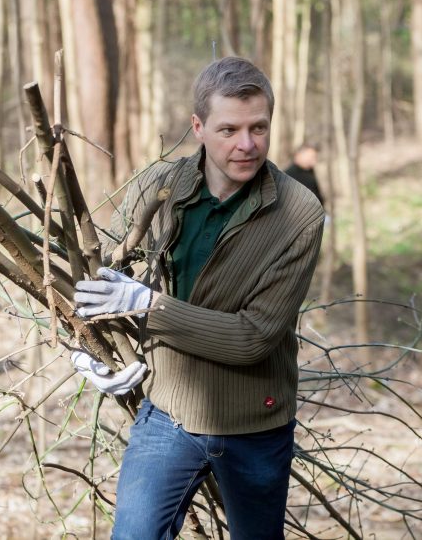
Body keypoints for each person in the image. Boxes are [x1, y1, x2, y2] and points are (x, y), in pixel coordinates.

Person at [72, 57, 325, 539]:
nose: (246, 145)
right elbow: (96, 274)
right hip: (168, 410)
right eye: (228, 129)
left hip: (255, 422)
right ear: (198, 127)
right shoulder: (158, 187)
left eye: (259, 128)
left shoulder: (299, 212)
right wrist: (84, 346)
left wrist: (147, 305)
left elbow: (253, 338)